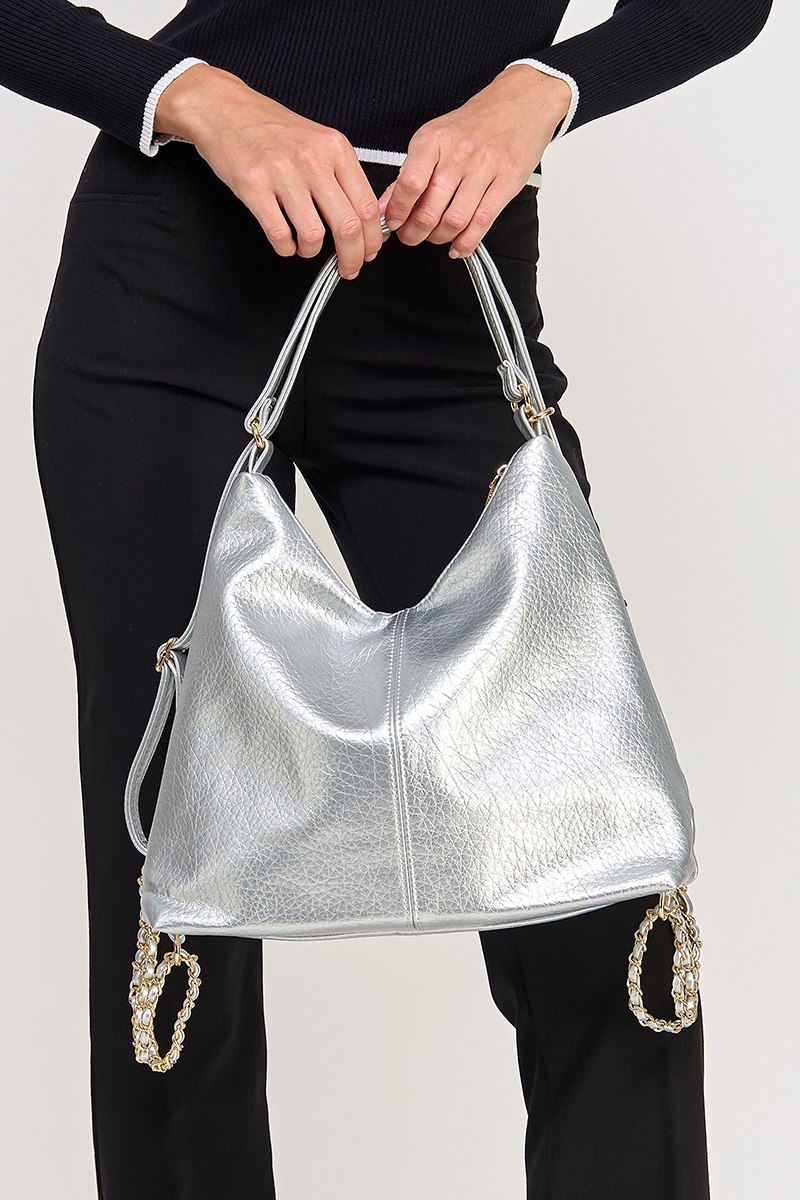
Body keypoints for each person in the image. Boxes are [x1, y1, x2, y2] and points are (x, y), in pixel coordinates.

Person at [0, 3, 772, 1198]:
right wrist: (194, 98)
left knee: (590, 863)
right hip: (169, 290)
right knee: (176, 891)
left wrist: (537, 90)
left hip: (445, 295)